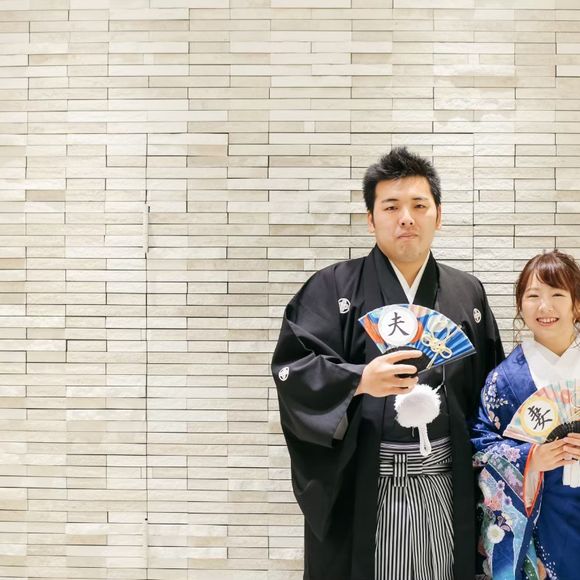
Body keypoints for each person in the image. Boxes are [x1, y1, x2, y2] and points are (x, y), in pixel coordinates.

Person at [271, 147, 504, 580]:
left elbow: (491, 394)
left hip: (446, 480)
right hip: (366, 482)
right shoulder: (332, 287)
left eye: (419, 205)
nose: (406, 218)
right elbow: (294, 369)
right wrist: (359, 379)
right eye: (391, 207)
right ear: (371, 218)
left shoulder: (467, 292)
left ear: (438, 215)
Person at [471, 250, 580, 580]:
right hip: (539, 521)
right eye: (533, 296)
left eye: (557, 295)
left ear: (576, 304)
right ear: (520, 306)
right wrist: (530, 457)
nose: (544, 307)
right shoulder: (504, 380)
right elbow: (481, 447)